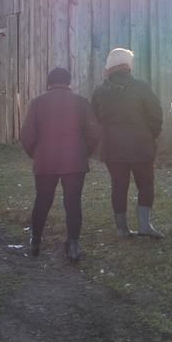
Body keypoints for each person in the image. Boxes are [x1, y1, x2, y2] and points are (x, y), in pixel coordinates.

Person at [20, 68, 100, 264]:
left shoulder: (37, 103)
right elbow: (94, 133)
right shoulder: (81, 102)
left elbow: (27, 135)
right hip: (74, 161)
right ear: (68, 82)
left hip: (45, 160)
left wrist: (37, 154)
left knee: (42, 201)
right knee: (73, 203)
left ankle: (35, 242)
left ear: (49, 82)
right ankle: (73, 247)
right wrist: (83, 152)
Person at [91, 48, 165, 240]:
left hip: (112, 147)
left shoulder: (99, 92)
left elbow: (94, 119)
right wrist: (149, 136)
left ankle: (122, 228)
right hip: (140, 146)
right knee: (145, 184)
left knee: (118, 185)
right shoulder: (141, 88)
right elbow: (156, 115)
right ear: (128, 66)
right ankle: (144, 225)